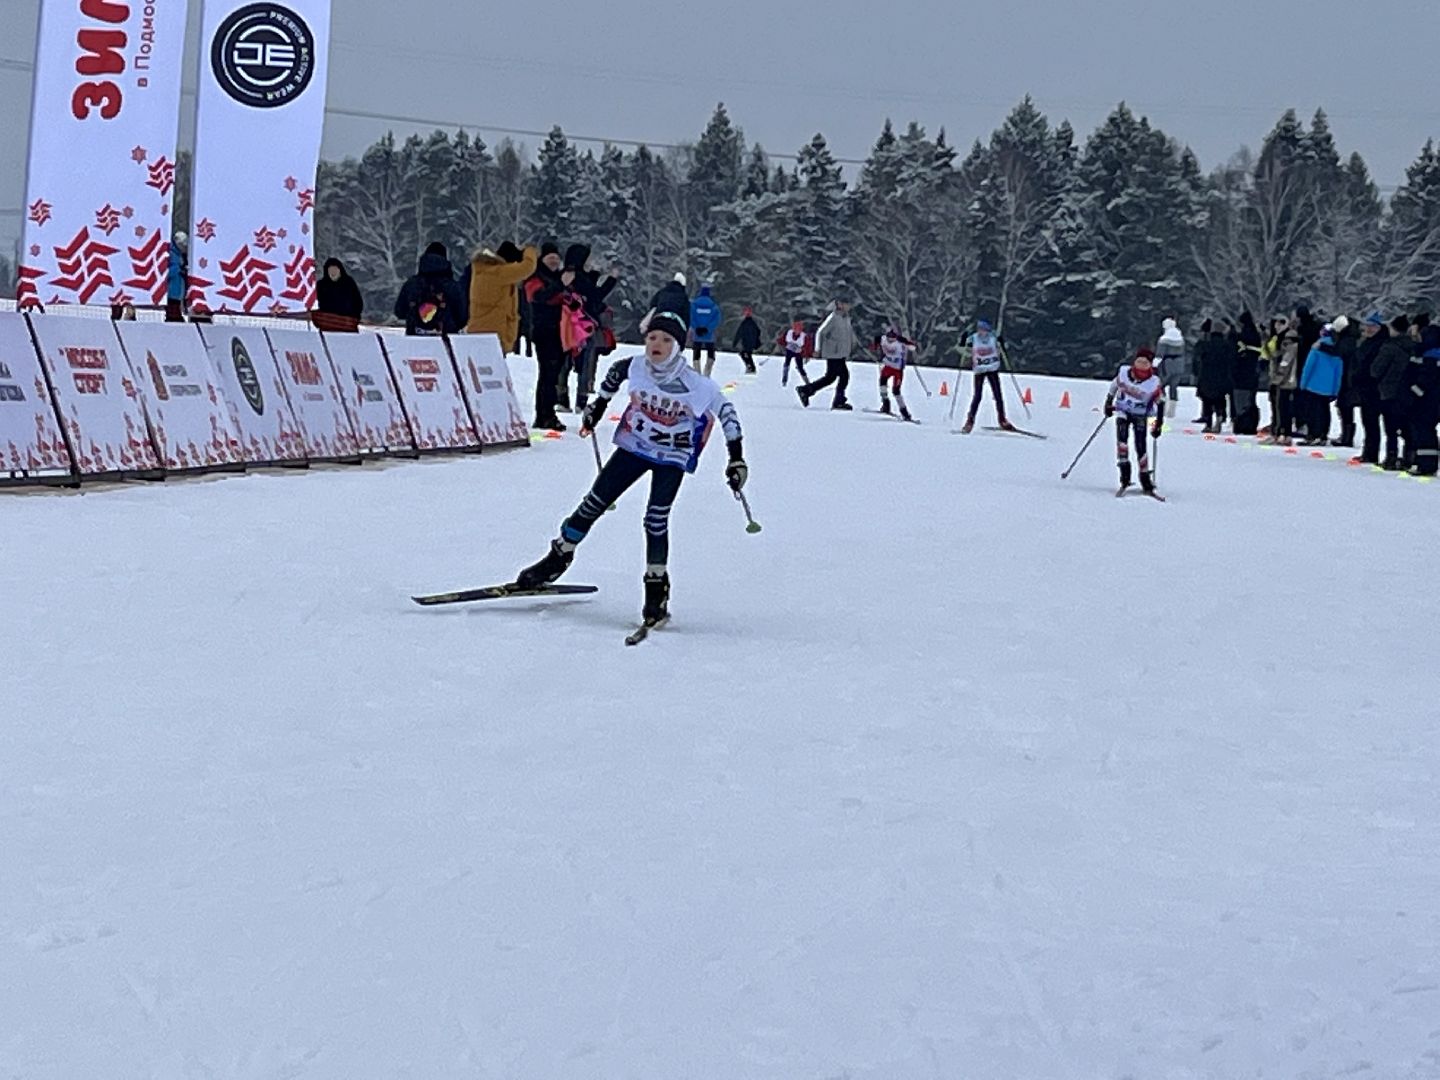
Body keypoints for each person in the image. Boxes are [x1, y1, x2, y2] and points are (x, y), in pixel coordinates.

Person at [510, 301, 747, 627]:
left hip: (672, 456)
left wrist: (736, 459)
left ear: (677, 345)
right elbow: (614, 375)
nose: (656, 346)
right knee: (594, 502)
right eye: (652, 338)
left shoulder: (698, 385)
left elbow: (727, 414)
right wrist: (597, 405)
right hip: (635, 446)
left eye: (665, 340)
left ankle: (656, 589)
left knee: (655, 519)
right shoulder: (634, 366)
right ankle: (557, 557)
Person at [522, 243, 574, 430]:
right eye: (549, 257)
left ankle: (547, 412)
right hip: (544, 330)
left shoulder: (556, 278)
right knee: (547, 373)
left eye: (556, 257)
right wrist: (561, 285)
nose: (553, 260)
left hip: (559, 331)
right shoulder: (535, 276)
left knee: (553, 374)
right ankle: (544, 414)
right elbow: (538, 297)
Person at [1104, 345, 1164, 496]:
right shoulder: (1124, 373)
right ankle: (1124, 477)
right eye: (1139, 362)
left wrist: (1158, 424)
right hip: (1123, 411)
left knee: (1140, 445)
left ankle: (1145, 480)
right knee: (1122, 443)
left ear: (1150, 365)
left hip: (1141, 415)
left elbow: (1161, 402)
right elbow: (1114, 386)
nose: (1141, 366)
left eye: (1145, 363)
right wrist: (1108, 402)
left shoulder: (1153, 382)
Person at [462, 241, 537, 353]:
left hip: (479, 330)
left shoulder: (482, 271)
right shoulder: (499, 273)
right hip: (494, 333)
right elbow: (528, 267)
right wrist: (530, 251)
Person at [394, 242, 467, 337]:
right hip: (445, 340)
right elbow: (462, 317)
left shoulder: (411, 284)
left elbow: (399, 312)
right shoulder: (452, 286)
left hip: (415, 339)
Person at [959, 320, 1014, 434]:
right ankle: (970, 421)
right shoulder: (974, 338)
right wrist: (963, 339)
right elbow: (963, 345)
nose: (981, 332)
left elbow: (1004, 347)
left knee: (998, 395)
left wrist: (1001, 342)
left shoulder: (993, 338)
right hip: (979, 370)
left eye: (983, 329)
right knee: (977, 396)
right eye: (979, 329)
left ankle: (1002, 419)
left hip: (992, 369)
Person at [1297, 318, 1346, 446]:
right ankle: (1323, 434)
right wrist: (1335, 390)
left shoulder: (1317, 348)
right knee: (1324, 411)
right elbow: (1338, 373)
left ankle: (1313, 434)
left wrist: (1303, 383)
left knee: (1312, 411)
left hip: (1313, 385)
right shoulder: (1337, 350)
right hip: (1328, 387)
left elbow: (1308, 367)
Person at [799, 300, 855, 410]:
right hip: (833, 352)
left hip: (841, 352)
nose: (848, 306)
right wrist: (817, 349)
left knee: (830, 377)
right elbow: (820, 332)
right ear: (839, 305)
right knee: (844, 376)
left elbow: (849, 334)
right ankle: (838, 401)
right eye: (846, 303)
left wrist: (853, 344)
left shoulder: (845, 318)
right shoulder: (833, 317)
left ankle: (806, 390)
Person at [1374, 315, 1413, 470]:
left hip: (1389, 391)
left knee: (1390, 428)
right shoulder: (1414, 346)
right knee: (1407, 427)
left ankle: (1391, 456)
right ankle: (1409, 456)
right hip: (1408, 392)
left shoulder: (1389, 347)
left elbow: (1376, 369)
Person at [1352, 313, 1387, 465]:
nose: (1369, 329)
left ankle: (1372, 453)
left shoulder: (1380, 343)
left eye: (1373, 326)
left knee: (1373, 421)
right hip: (1365, 387)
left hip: (1374, 388)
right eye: (1368, 326)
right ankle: (1369, 451)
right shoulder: (1366, 342)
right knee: (1367, 421)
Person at [1262, 317, 1300, 445]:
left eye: (1279, 325)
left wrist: (1277, 378)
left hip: (1285, 380)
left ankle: (1281, 433)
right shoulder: (1280, 340)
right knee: (1280, 406)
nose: (1276, 327)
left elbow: (1286, 361)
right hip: (1283, 378)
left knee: (1281, 407)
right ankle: (1281, 433)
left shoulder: (1288, 341)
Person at [1409, 325, 1440, 476]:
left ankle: (1426, 464)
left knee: (1424, 430)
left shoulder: (1430, 355)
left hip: (1428, 400)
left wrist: (1414, 391)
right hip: (1433, 399)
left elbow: (1427, 379)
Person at [1195, 319, 1235, 433]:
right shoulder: (1227, 345)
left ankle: (1208, 423)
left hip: (1206, 375)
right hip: (1222, 376)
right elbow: (1232, 360)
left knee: (1207, 400)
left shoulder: (1206, 344)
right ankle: (1220, 416)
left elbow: (1199, 357)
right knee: (1219, 399)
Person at [1231, 311, 1263, 435]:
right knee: (1251, 400)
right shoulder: (1256, 335)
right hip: (1253, 374)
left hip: (1242, 375)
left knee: (1241, 401)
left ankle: (1242, 424)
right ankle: (1249, 423)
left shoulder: (1242, 337)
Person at [1331, 314, 1360, 447]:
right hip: (1348, 378)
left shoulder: (1347, 341)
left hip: (1347, 379)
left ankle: (1347, 436)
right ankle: (1346, 434)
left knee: (1345, 407)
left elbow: (1340, 352)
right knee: (1345, 407)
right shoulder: (1353, 338)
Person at [876, 327, 916, 421]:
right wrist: (875, 344)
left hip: (898, 369)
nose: (891, 339)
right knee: (882, 384)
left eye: (893, 337)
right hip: (888, 366)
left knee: (896, 391)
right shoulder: (883, 339)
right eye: (889, 337)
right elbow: (874, 345)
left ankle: (905, 412)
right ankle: (886, 404)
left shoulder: (899, 342)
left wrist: (906, 342)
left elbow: (913, 348)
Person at [315, 258, 365, 329]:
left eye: (335, 269)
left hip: (348, 323)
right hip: (327, 324)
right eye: (330, 270)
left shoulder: (348, 282)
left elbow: (358, 302)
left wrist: (355, 317)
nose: (333, 272)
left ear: (340, 270)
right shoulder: (321, 285)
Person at [1155, 317, 1186, 418]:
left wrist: (1154, 364)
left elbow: (1160, 354)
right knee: (1174, 387)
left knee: (1161, 386)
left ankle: (1162, 408)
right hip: (1179, 364)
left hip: (1167, 365)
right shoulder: (1180, 338)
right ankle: (1171, 411)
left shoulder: (1164, 339)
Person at [689, 285, 722, 376]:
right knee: (711, 353)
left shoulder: (694, 306)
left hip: (697, 334)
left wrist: (696, 328)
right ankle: (707, 371)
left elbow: (690, 318)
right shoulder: (713, 307)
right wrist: (708, 329)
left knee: (696, 352)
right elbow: (717, 319)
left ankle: (697, 371)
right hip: (709, 334)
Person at [166, 232, 188, 323]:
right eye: (183, 245)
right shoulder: (169, 254)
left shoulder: (181, 255)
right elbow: (166, 272)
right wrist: (179, 268)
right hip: (172, 291)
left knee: (177, 310)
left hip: (179, 291)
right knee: (173, 314)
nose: (185, 248)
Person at [732, 307, 762, 375]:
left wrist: (735, 342)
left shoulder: (745, 323)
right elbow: (758, 331)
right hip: (751, 342)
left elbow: (739, 333)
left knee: (744, 354)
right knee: (747, 354)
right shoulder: (753, 323)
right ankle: (750, 367)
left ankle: (751, 367)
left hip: (747, 342)